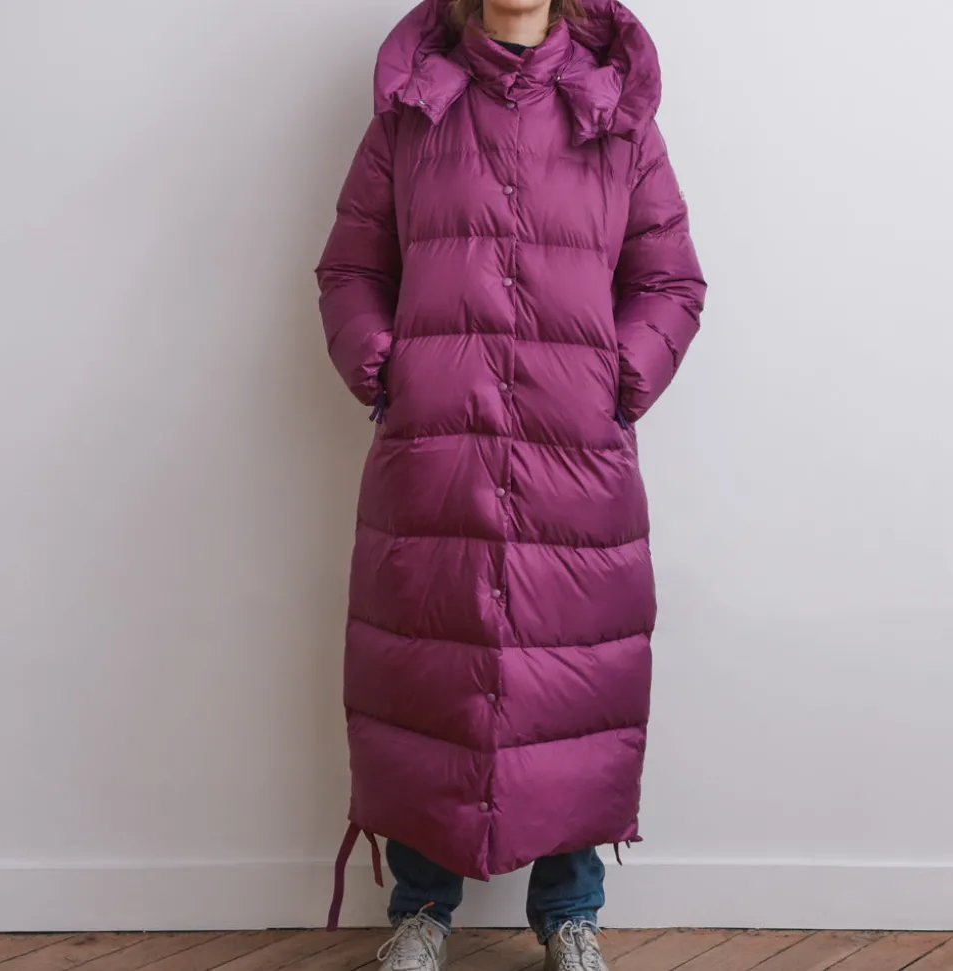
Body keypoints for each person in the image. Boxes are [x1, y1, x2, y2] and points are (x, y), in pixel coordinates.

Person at [315, 0, 706, 967]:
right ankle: (421, 909)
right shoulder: (414, 110)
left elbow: (669, 280)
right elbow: (352, 266)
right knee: (430, 673)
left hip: (574, 450)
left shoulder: (614, 112)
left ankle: (571, 911)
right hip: (436, 447)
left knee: (574, 677)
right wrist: (384, 366)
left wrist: (619, 380)